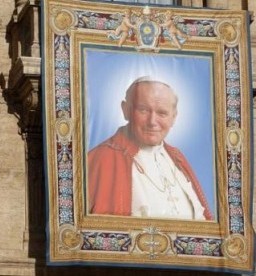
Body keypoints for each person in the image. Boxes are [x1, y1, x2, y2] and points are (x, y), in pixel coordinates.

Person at [87, 76, 213, 220]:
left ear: (174, 117)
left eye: (162, 113)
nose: (152, 122)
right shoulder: (100, 159)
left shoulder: (177, 157)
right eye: (143, 110)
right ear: (126, 110)